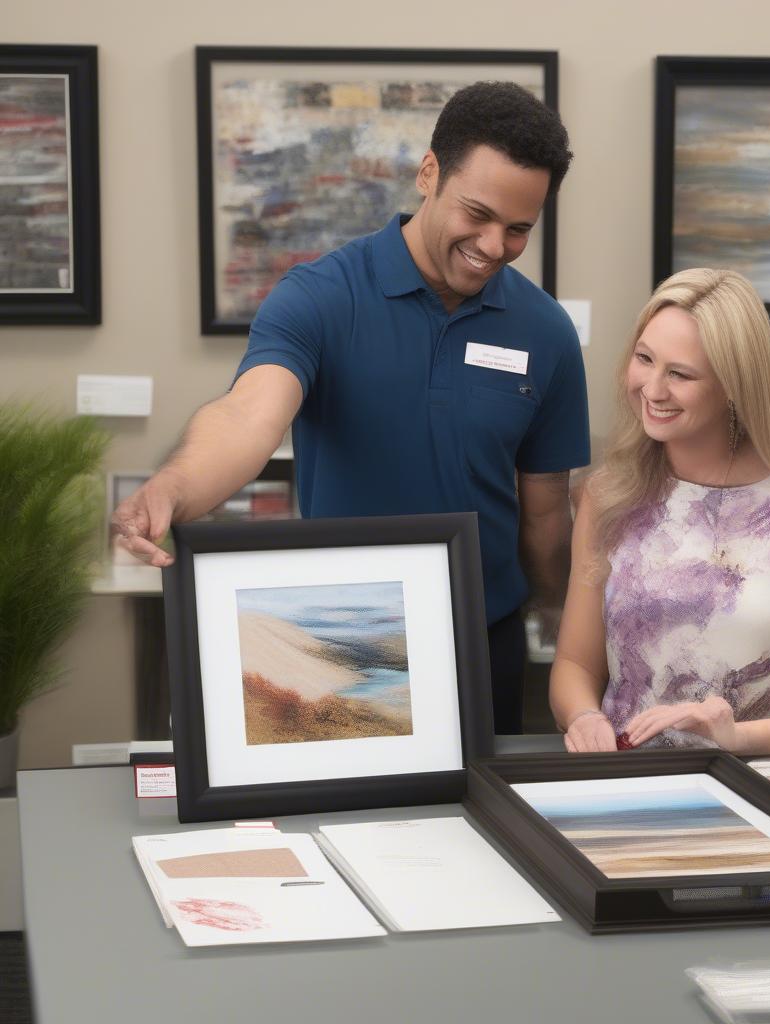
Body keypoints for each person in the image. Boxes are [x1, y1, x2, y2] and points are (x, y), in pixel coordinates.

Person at [112, 82, 590, 734]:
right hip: (345, 647)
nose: (492, 244)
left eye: (518, 229)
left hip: (485, 639)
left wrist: (567, 624)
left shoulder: (546, 332)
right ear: (429, 174)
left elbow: (544, 517)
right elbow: (248, 417)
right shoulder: (322, 297)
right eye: (476, 214)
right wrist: (170, 487)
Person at [550, 268, 770, 754]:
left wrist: (737, 737)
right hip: (626, 785)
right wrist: (584, 716)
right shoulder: (609, 497)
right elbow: (576, 665)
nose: (652, 389)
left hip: (759, 790)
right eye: (644, 359)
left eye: (680, 373)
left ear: (734, 385)